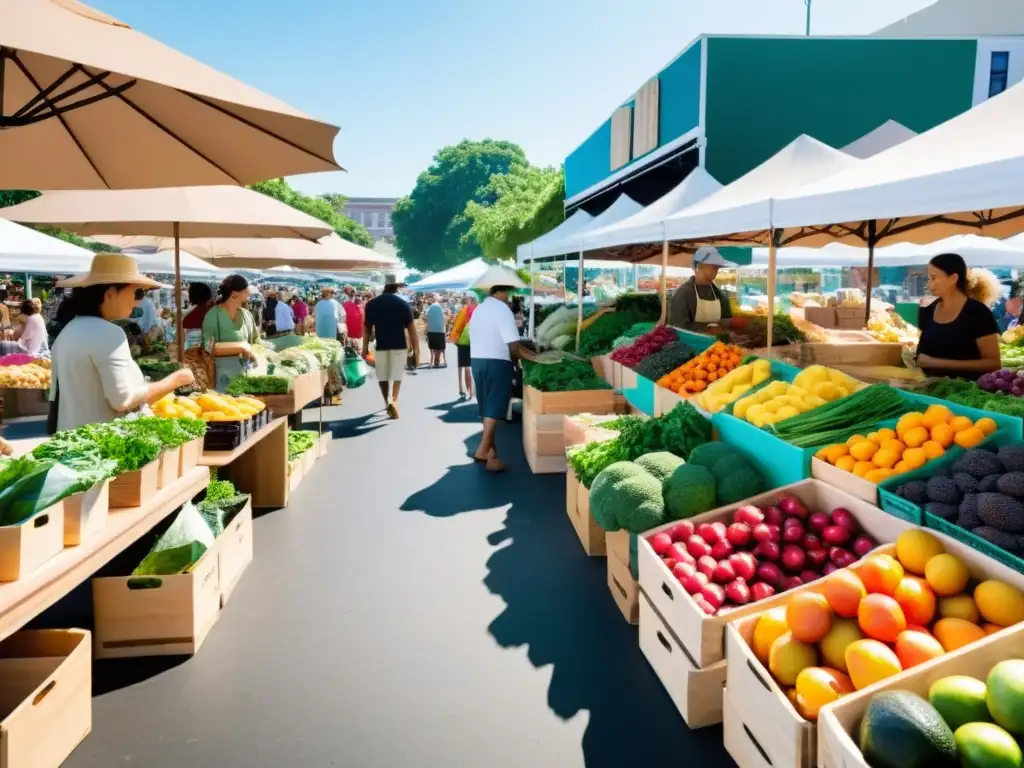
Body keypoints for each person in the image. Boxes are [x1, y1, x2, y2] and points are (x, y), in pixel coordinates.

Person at [48, 253, 194, 432]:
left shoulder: (69, 330)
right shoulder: (108, 333)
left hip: (76, 444)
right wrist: (175, 380)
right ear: (110, 294)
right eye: (137, 292)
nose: (138, 301)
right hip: (105, 447)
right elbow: (122, 400)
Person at [469, 281, 537, 473]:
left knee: (486, 405)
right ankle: (483, 449)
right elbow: (513, 345)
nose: (509, 297)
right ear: (500, 292)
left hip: (477, 360)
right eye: (507, 293)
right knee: (496, 406)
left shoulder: (479, 309)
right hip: (497, 361)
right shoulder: (502, 310)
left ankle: (491, 452)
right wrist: (530, 357)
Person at [915, 253, 1001, 379]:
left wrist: (936, 363)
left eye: (934, 278)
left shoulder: (978, 313)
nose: (929, 284)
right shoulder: (928, 311)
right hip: (928, 390)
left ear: (953, 278)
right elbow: (922, 355)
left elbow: (993, 364)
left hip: (967, 392)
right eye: (929, 279)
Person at [363, 274, 417, 419]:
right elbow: (412, 329)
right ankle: (393, 399)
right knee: (397, 375)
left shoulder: (372, 304)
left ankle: (387, 400)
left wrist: (364, 348)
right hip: (399, 345)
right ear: (396, 287)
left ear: (384, 286)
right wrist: (416, 349)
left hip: (381, 345)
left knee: (383, 377)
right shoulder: (403, 304)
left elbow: (367, 328)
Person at [203, 274, 260, 392]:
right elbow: (209, 348)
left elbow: (256, 341)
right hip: (221, 379)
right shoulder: (213, 315)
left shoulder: (247, 315)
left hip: (246, 377)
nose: (248, 292)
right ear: (234, 294)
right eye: (245, 290)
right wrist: (240, 346)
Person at [668, 247, 734, 328]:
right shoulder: (682, 295)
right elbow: (679, 327)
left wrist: (731, 322)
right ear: (698, 266)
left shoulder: (718, 294)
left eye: (718, 267)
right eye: (713, 265)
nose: (717, 269)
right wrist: (709, 328)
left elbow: (727, 318)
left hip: (718, 340)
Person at [449, 294, 477, 400]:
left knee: (463, 366)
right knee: (470, 366)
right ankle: (470, 391)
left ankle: (462, 389)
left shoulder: (463, 310)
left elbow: (457, 327)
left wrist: (453, 339)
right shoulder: (477, 310)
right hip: (474, 341)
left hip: (463, 341)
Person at [425, 294, 447, 368]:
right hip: (440, 330)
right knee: (439, 346)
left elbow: (426, 317)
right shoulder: (439, 307)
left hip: (432, 330)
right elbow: (443, 319)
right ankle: (437, 359)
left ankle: (436, 359)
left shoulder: (430, 308)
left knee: (434, 346)